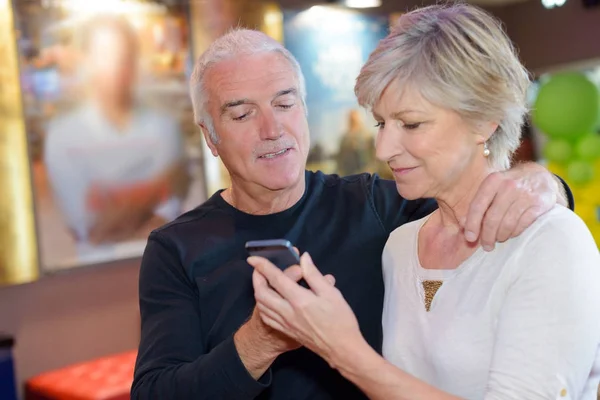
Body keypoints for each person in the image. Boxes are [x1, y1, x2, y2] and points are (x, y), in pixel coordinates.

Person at [131, 28, 572, 400]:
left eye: (284, 104)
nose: (272, 129)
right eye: (243, 114)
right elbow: (155, 391)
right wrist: (259, 342)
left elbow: (476, 196)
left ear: (302, 111)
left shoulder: (378, 208)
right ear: (211, 138)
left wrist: (544, 182)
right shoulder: (176, 249)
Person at [248, 5, 600, 399]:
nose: (384, 148)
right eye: (381, 123)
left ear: (484, 120)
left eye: (411, 124)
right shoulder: (401, 245)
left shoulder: (551, 241)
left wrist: (344, 350)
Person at [44, 15, 188, 255]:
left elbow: (170, 219)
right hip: (95, 275)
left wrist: (114, 209)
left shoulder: (163, 128)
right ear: (87, 61)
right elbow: (92, 229)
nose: (116, 67)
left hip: (164, 265)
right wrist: (151, 194)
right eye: (106, 56)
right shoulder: (63, 137)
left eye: (124, 56)